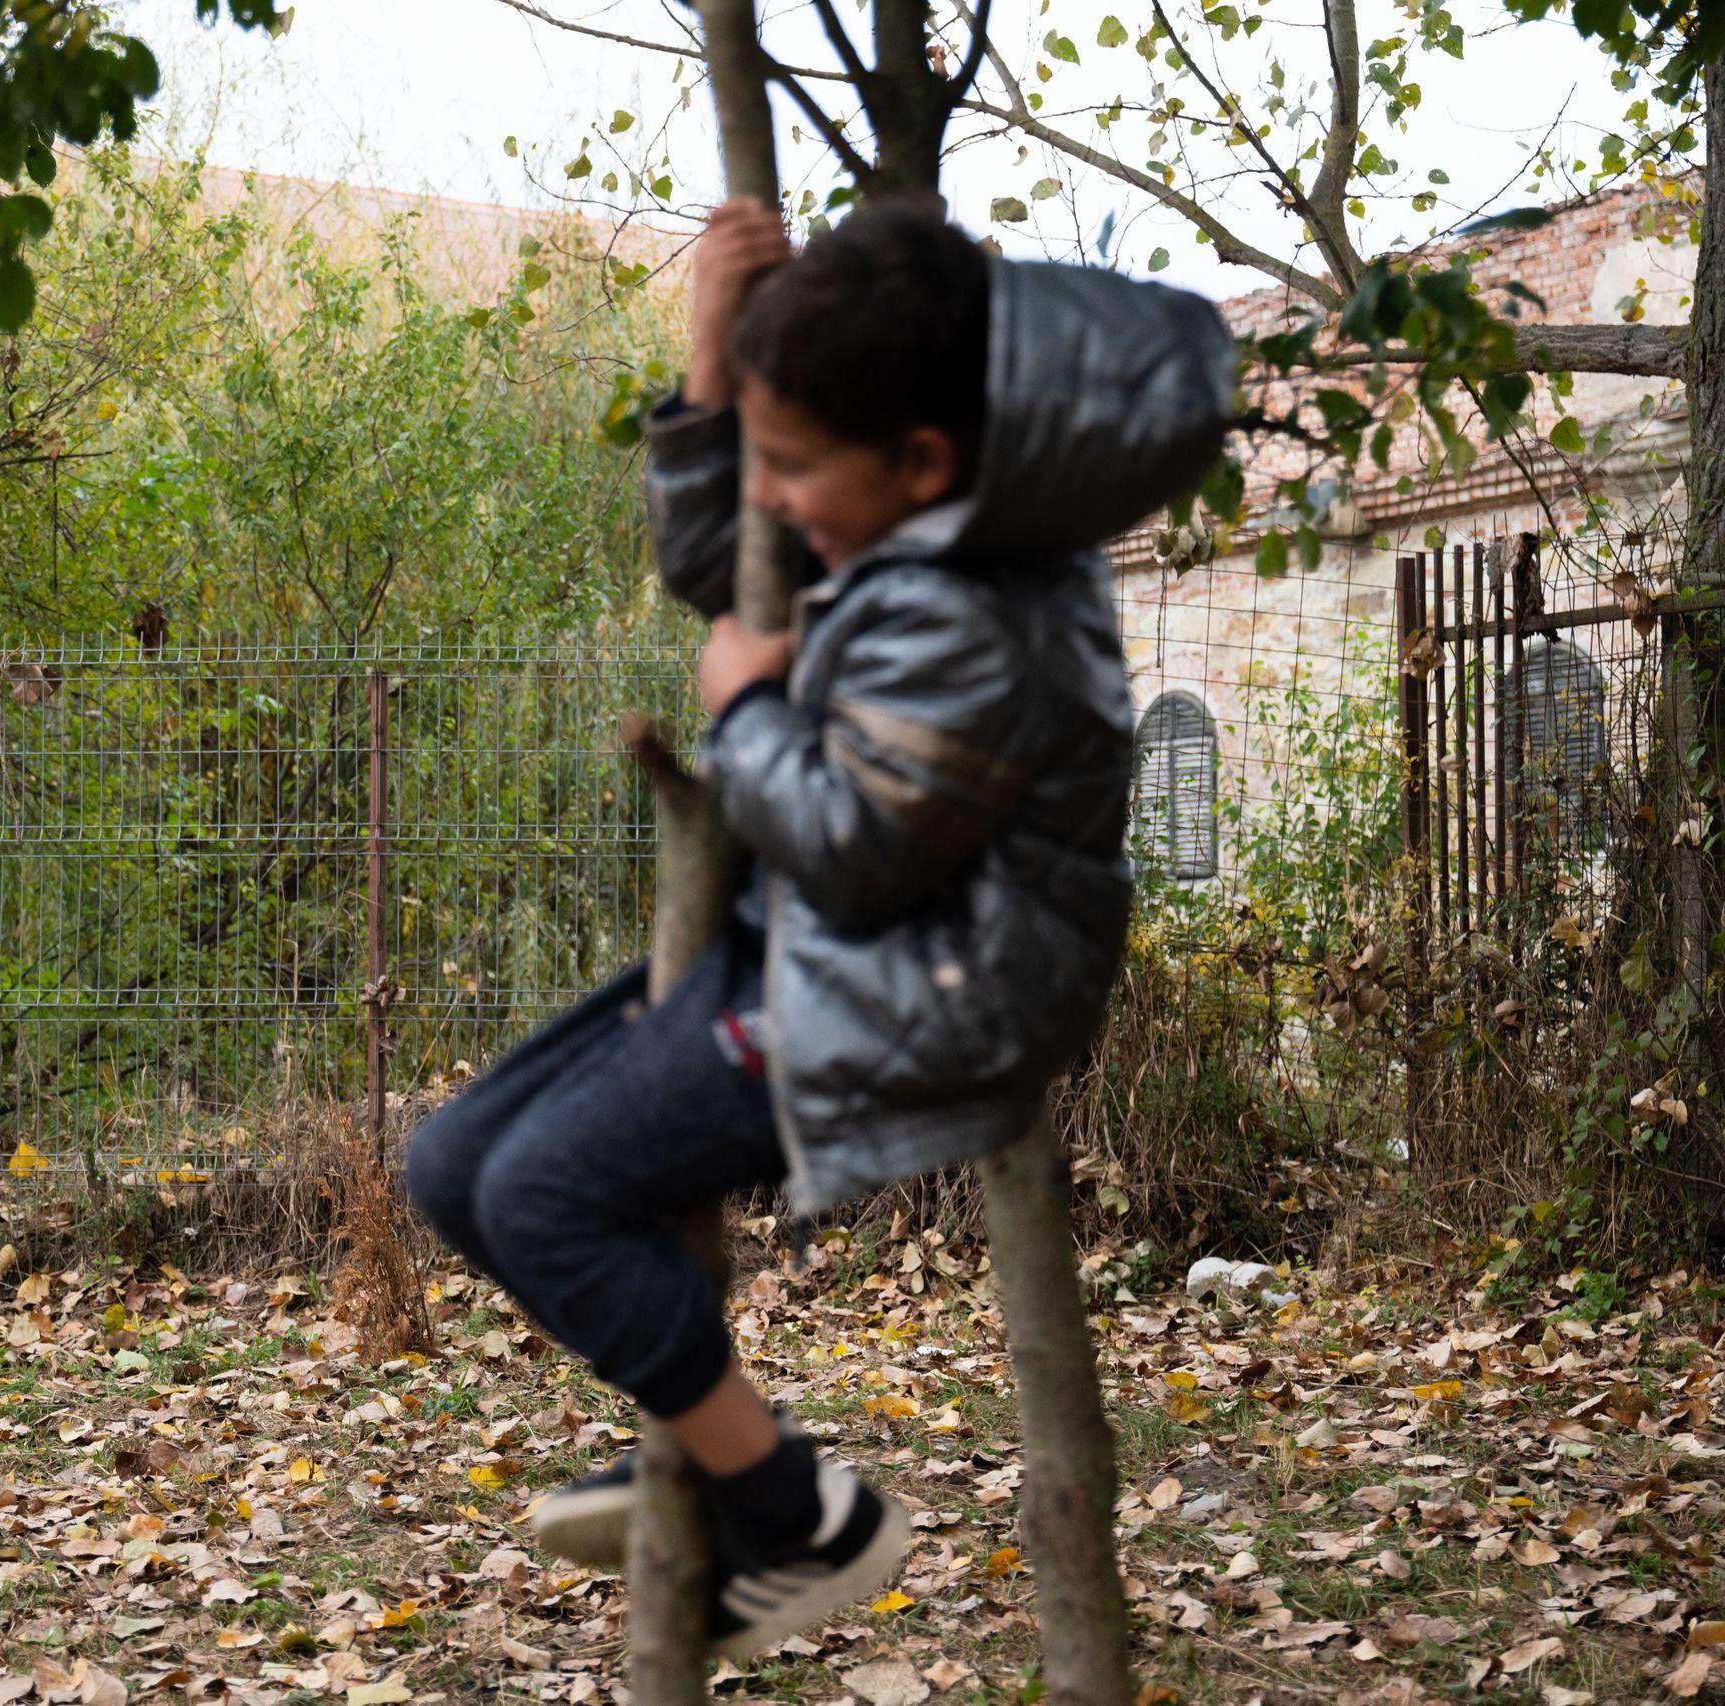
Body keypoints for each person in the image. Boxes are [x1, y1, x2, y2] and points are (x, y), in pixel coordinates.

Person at [404, 195, 1232, 1657]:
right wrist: (713, 373)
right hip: (823, 942)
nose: (773, 495)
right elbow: (731, 568)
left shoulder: (987, 611)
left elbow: (853, 848)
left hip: (922, 981)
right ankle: (726, 1467)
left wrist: (747, 711)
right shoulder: (915, 514)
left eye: (793, 463)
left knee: (543, 1197)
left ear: (918, 460)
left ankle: (792, 1507)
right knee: (459, 1163)